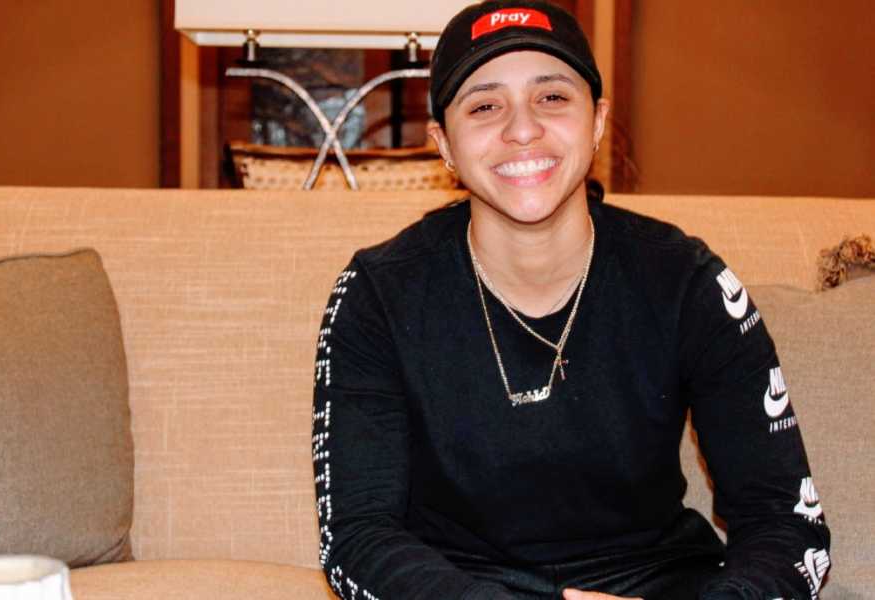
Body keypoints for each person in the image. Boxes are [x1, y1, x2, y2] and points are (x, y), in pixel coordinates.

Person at [311, 2, 831, 598]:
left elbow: (789, 527)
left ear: (598, 121)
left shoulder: (686, 281)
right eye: (484, 105)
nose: (522, 128)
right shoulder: (378, 294)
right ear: (444, 144)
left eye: (553, 97)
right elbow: (357, 537)